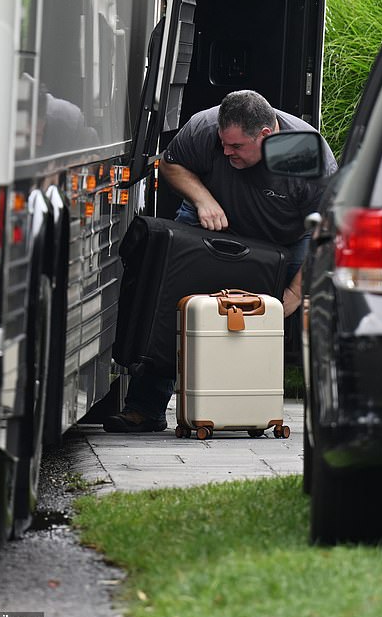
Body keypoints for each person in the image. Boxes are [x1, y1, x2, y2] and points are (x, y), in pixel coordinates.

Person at [103, 89, 337, 433]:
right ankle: (145, 408)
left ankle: (273, 412)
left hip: (286, 238)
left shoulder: (306, 154)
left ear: (267, 136)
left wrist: (295, 292)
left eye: (237, 147)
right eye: (222, 143)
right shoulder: (205, 126)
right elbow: (170, 163)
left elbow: (329, 228)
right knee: (172, 304)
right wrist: (203, 199)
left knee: (289, 316)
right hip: (210, 220)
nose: (226, 153)